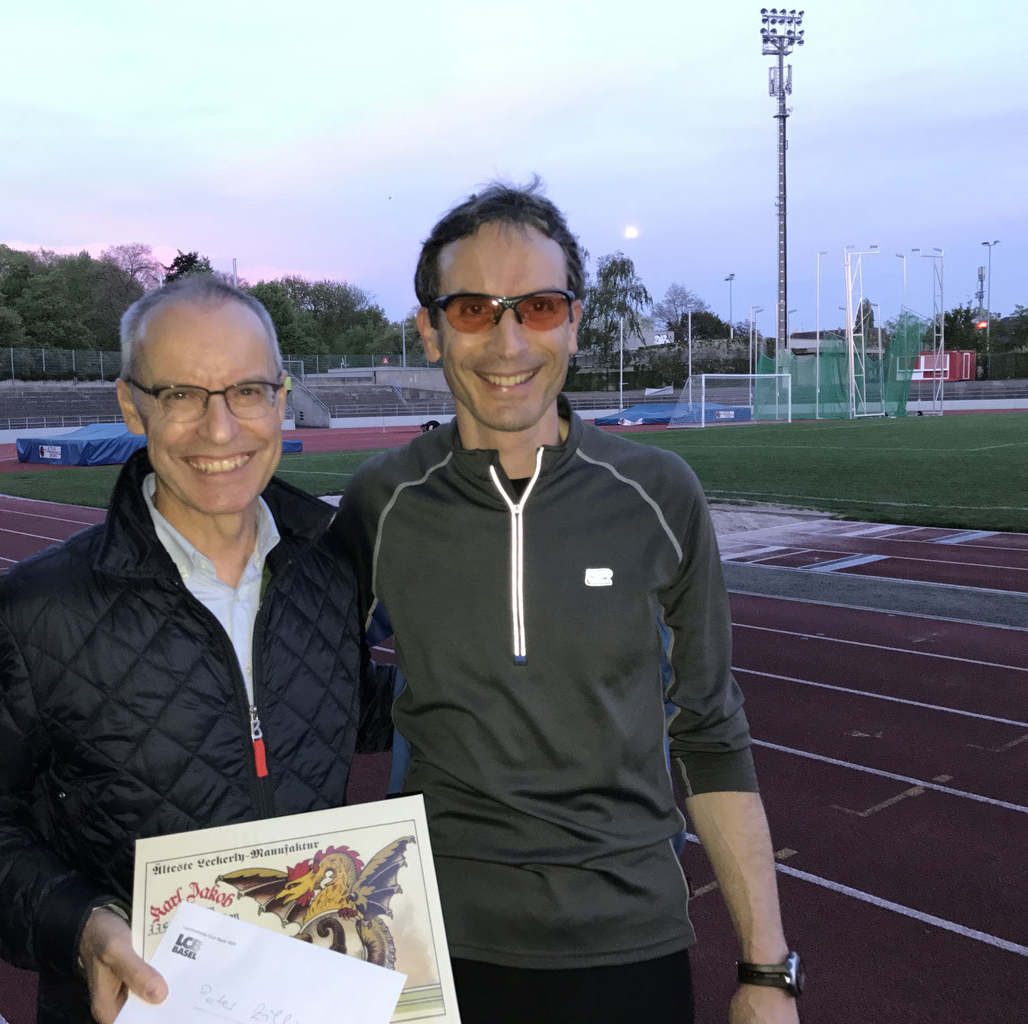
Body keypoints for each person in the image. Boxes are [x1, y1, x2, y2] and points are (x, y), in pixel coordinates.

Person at [332, 183, 802, 1024]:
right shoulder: (383, 500)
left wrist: (766, 973)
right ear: (430, 329)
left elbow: (707, 732)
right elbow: (296, 693)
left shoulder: (658, 494)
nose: (508, 341)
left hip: (628, 941)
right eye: (474, 309)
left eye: (538, 306)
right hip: (430, 943)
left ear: (575, 323)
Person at [0, 275, 393, 1024]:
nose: (221, 429)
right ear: (131, 405)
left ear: (282, 397)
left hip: (313, 994)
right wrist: (80, 926)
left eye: (247, 392)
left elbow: (344, 706)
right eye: (182, 395)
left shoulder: (329, 572)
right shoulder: (34, 610)